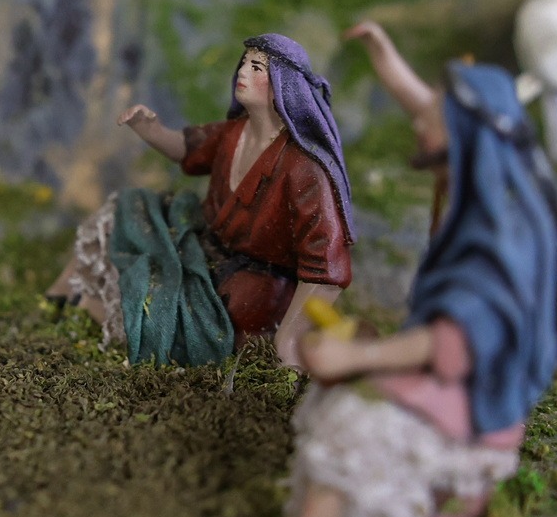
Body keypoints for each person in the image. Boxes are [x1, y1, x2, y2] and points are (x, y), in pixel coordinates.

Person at [271, 23, 557, 517]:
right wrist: (384, 56)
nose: (416, 122)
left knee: (356, 413)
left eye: (430, 117)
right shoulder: (481, 177)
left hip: (476, 396)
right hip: (452, 375)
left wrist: (359, 356)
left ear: (462, 134)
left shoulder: (499, 238)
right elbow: (429, 107)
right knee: (339, 396)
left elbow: (454, 341)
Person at [50, 33, 355, 368]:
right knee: (129, 211)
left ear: (284, 86)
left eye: (257, 67)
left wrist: (290, 338)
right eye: (245, 63)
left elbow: (325, 270)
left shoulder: (304, 169)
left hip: (247, 287)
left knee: (166, 313)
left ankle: (93, 308)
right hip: (201, 243)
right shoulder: (234, 132)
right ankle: (66, 294)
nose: (243, 72)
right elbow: (190, 148)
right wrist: (150, 130)